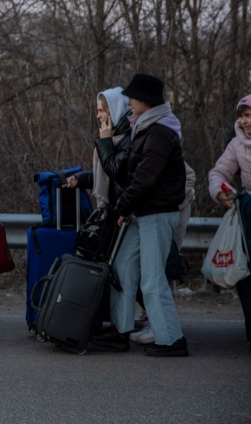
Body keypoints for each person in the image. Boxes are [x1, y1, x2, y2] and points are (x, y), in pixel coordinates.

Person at [90, 73, 189, 357]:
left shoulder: (159, 133)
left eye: (133, 98)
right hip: (141, 212)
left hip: (156, 214)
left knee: (152, 278)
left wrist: (122, 208)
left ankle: (172, 340)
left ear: (145, 101)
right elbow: (135, 177)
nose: (129, 102)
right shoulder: (144, 128)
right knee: (122, 268)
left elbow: (143, 180)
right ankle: (121, 331)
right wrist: (127, 210)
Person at [209, 93, 251, 261]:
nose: (243, 121)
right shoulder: (237, 144)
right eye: (241, 116)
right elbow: (219, 172)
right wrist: (219, 191)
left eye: (248, 115)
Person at [65, 87, 132, 208]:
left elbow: (115, 172)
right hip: (115, 211)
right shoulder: (115, 137)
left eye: (101, 111)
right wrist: (78, 179)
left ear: (114, 111)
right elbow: (102, 175)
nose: (98, 116)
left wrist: (106, 142)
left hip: (124, 212)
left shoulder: (129, 139)